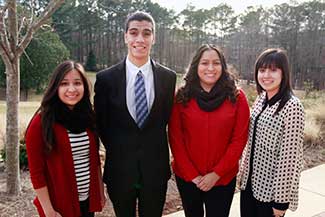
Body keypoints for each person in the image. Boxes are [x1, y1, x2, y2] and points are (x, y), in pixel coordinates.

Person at [94, 11, 176, 217]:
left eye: (146, 33)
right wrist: (122, 148)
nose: (140, 39)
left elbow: (166, 119)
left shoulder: (168, 78)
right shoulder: (106, 79)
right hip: (120, 170)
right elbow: (101, 125)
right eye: (134, 32)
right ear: (125, 37)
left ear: (154, 38)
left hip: (155, 170)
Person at [168, 44, 250, 217]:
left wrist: (216, 174)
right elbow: (176, 138)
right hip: (188, 178)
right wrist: (193, 175)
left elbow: (239, 140)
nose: (210, 68)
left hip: (222, 179)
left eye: (216, 63)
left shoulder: (237, 97)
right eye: (205, 63)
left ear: (223, 66)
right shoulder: (182, 96)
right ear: (196, 66)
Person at [25, 60, 105, 217]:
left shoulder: (88, 117)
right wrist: (49, 211)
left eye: (77, 83)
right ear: (55, 87)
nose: (71, 89)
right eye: (64, 84)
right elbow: (36, 174)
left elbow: (94, 159)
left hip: (87, 203)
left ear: (84, 86)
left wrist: (100, 193)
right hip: (59, 206)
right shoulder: (41, 123)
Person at [239, 48, 305, 217]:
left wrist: (281, 201)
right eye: (262, 70)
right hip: (249, 185)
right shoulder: (261, 99)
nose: (266, 75)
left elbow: (290, 158)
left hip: (270, 193)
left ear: (284, 73)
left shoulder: (292, 106)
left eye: (273, 70)